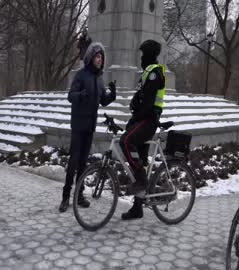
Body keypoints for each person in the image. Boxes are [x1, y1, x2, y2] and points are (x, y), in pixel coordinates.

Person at [59, 42, 117, 212]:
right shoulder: (80, 75)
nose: (99, 60)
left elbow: (103, 101)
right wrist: (81, 96)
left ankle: (79, 195)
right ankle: (65, 197)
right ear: (91, 58)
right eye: (97, 56)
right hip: (78, 125)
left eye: (101, 57)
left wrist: (112, 94)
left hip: (90, 126)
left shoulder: (99, 79)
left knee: (83, 163)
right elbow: (71, 96)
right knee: (74, 162)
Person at [120, 39, 166, 220]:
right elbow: (140, 96)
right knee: (141, 160)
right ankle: (138, 207)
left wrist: (136, 116)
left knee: (125, 141)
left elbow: (147, 104)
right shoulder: (148, 73)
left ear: (149, 55)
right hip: (142, 119)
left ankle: (141, 180)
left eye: (142, 54)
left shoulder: (155, 73)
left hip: (148, 121)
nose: (140, 58)